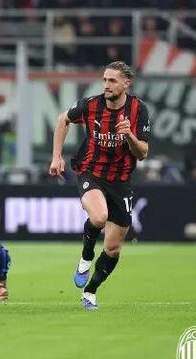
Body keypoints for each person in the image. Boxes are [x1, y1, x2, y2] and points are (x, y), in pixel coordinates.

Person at [49, 61, 150, 311]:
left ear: (126, 83)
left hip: (121, 181)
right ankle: (86, 256)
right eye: (104, 79)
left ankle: (90, 291)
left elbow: (143, 153)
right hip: (91, 172)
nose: (106, 85)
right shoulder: (91, 105)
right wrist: (56, 156)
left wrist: (129, 136)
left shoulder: (138, 109)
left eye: (112, 80)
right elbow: (63, 119)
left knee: (113, 248)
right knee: (99, 216)